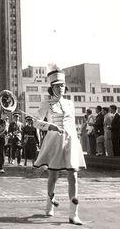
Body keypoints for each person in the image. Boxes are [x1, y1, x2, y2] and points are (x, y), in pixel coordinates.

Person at [33, 69, 86, 225]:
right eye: (57, 86)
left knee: (73, 176)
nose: (60, 88)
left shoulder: (70, 103)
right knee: (53, 176)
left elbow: (71, 123)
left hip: (71, 141)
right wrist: (50, 126)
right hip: (54, 142)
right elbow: (36, 122)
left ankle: (73, 214)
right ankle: (49, 203)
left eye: (62, 86)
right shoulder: (46, 103)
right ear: (52, 88)